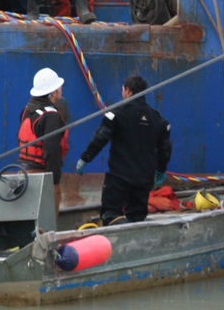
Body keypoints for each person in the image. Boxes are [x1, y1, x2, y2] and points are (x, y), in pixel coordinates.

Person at [75, 75, 172, 225]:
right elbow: (165, 149)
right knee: (137, 217)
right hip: (144, 180)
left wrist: (85, 158)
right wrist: (161, 170)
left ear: (127, 91)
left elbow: (100, 138)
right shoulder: (158, 119)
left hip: (119, 178)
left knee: (110, 214)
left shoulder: (116, 114)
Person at [18, 68, 69, 215]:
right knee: (47, 222)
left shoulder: (27, 110)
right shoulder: (51, 116)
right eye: (58, 86)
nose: (61, 88)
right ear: (53, 92)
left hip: (24, 173)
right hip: (42, 175)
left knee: (28, 219)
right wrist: (54, 180)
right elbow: (51, 150)